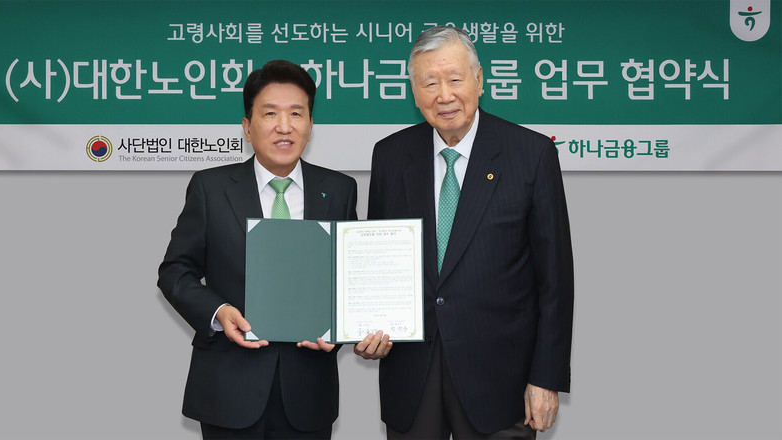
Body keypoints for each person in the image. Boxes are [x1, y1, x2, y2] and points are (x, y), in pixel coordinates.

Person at [354, 26, 574, 439]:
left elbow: (555, 281)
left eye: (455, 79)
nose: (444, 95)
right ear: (413, 92)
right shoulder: (390, 155)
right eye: (429, 83)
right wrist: (367, 324)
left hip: (501, 380)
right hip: (411, 374)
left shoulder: (531, 154)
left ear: (479, 80)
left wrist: (546, 377)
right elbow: (379, 263)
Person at [158, 59, 357, 439]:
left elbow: (349, 278)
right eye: (270, 113)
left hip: (308, 392)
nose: (284, 126)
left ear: (310, 124)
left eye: (296, 113)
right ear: (248, 127)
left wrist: (341, 328)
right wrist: (218, 312)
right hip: (228, 389)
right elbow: (175, 271)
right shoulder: (211, 188)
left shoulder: (339, 190)